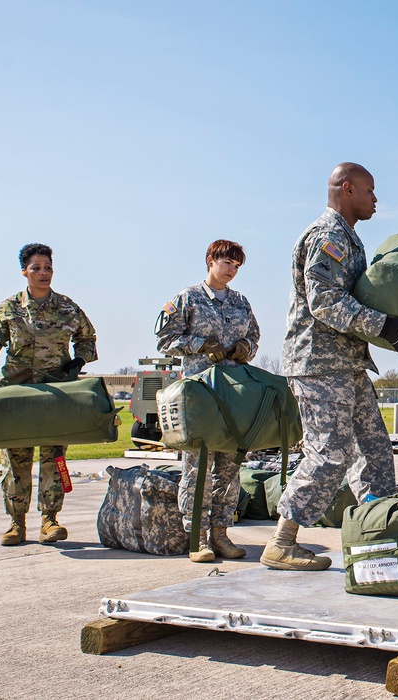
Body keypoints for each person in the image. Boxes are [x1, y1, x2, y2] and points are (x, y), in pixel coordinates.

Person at [261, 162, 398, 572]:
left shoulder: (349, 239)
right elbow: (325, 300)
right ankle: (282, 541)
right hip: (318, 363)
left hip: (346, 364)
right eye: (370, 191)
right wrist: (384, 325)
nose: (375, 200)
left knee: (373, 451)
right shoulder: (328, 235)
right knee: (329, 453)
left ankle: (377, 539)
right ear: (347, 189)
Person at [0, 243, 98, 546]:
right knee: (15, 460)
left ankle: (49, 520)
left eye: (48, 267)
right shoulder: (10, 307)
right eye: (36, 268)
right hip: (16, 394)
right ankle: (16, 524)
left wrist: (79, 360)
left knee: (53, 458)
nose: (44, 273)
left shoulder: (68, 308)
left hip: (55, 393)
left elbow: (88, 337)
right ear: (24, 272)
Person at [155, 240, 261, 563]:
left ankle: (220, 534)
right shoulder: (188, 299)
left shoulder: (241, 303)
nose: (231, 269)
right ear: (210, 261)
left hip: (232, 397)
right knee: (198, 467)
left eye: (236, 266)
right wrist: (201, 344)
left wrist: (246, 347)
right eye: (227, 262)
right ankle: (197, 537)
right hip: (200, 397)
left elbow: (255, 337)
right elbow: (164, 339)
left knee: (229, 469)